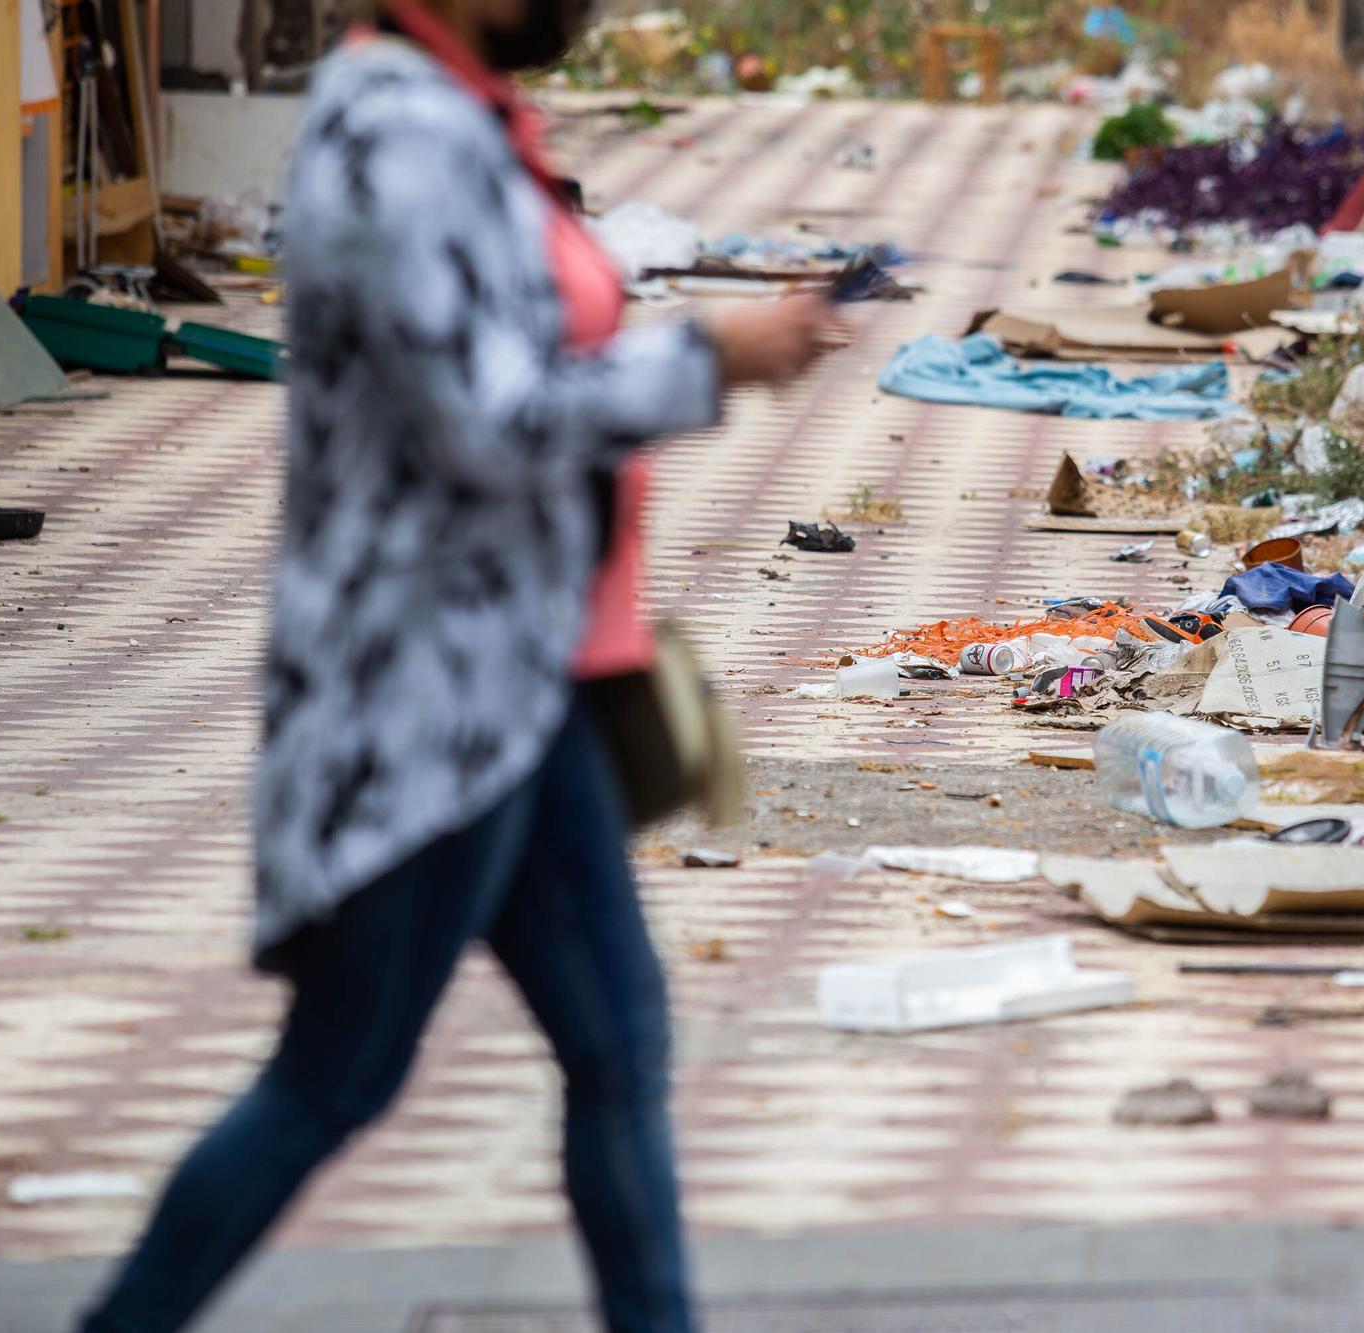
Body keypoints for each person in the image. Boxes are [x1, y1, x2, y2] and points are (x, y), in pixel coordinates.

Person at [78, 2, 838, 1329]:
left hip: (523, 687)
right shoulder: (396, 135)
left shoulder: (462, 117)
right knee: (334, 1075)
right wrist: (706, 358)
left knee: (619, 1042)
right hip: (420, 703)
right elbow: (487, 419)